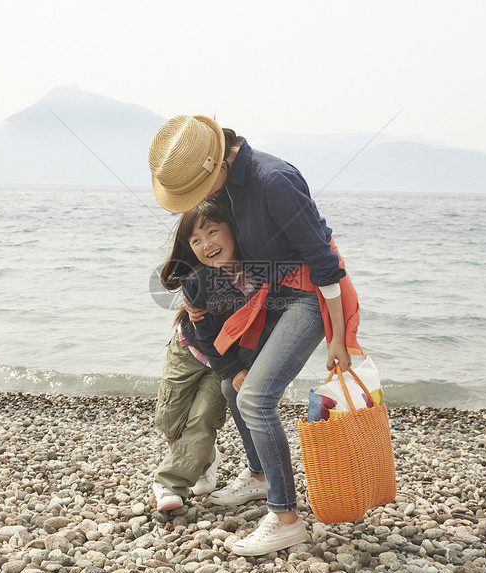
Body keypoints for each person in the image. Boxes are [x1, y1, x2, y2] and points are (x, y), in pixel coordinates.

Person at [149, 115, 362, 556]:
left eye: (195, 189)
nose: (199, 200)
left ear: (211, 167)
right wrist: (199, 293)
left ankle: (285, 517)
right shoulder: (227, 185)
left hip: (306, 296)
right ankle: (260, 476)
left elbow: (325, 264)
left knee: (255, 397)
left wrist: (337, 337)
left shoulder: (273, 180)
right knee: (233, 383)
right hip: (270, 297)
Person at [152, 197, 267, 512]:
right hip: (187, 351)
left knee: (202, 419)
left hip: (223, 364)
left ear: (233, 229)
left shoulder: (257, 272)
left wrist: (232, 370)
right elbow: (203, 331)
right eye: (196, 240)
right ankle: (205, 458)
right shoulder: (197, 280)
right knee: (169, 420)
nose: (206, 244)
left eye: (213, 232)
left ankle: (169, 484)